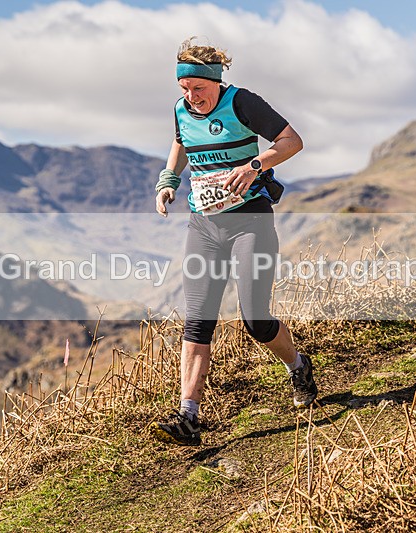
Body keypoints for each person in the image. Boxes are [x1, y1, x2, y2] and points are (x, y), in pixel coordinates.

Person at [149, 38, 317, 447]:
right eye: (184, 89)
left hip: (250, 224)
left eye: (199, 89)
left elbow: (292, 141)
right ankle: (189, 416)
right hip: (204, 227)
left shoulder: (243, 103)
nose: (192, 98)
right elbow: (180, 142)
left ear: (216, 81)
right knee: (197, 320)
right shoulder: (180, 109)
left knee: (255, 320)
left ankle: (297, 365)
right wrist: (169, 181)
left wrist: (255, 164)